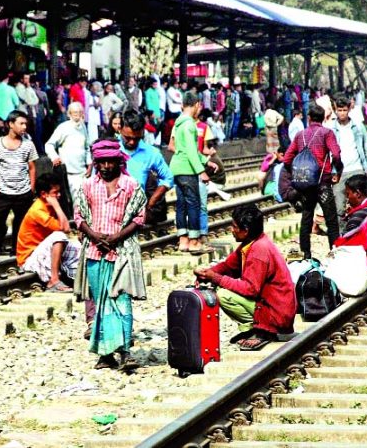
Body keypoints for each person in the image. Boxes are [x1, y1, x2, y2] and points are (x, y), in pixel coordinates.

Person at [74, 139, 147, 371]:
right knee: (101, 301)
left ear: (119, 162)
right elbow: (79, 217)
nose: (106, 166)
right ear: (96, 163)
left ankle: (125, 351)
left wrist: (117, 237)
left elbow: (139, 217)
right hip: (95, 252)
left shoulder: (131, 185)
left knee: (122, 300)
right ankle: (105, 354)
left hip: (122, 251)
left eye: (110, 162)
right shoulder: (87, 186)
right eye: (101, 162)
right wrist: (94, 236)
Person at [193, 205, 296, 351]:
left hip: (276, 312)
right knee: (222, 286)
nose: (232, 230)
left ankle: (260, 330)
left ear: (246, 230)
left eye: (235, 227)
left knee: (223, 294)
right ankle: (254, 329)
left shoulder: (258, 251)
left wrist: (215, 278)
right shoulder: (251, 243)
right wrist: (206, 273)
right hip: (270, 305)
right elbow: (229, 266)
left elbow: (250, 289)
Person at [283, 105, 343, 260]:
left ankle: (306, 254)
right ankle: (334, 253)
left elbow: (287, 159)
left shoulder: (300, 135)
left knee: (306, 218)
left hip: (306, 185)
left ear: (309, 118)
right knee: (331, 221)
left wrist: (297, 174)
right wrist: (338, 170)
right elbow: (336, 154)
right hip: (323, 183)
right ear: (323, 118)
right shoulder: (327, 133)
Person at [0, 110, 38, 261]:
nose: (24, 127)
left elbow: (32, 167)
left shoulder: (28, 144)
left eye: (25, 124)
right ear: (11, 124)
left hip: (23, 191)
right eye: (21, 123)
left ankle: (17, 251)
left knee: (21, 223)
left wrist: (31, 188)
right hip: (4, 192)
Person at [17, 174, 80, 292]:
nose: (59, 195)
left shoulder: (48, 206)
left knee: (77, 245)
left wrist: (55, 204)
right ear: (44, 194)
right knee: (59, 236)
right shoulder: (38, 210)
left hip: (42, 253)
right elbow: (66, 228)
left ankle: (74, 278)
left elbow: (67, 229)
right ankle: (53, 281)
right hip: (29, 259)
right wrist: (57, 205)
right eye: (55, 193)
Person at [169, 92, 210, 254]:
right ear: (197, 105)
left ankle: (183, 240)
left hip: (176, 169)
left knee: (181, 205)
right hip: (187, 169)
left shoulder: (178, 124)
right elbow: (192, 151)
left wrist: (207, 161)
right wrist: (201, 171)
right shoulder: (190, 125)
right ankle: (194, 241)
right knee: (193, 204)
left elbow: (182, 148)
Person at [120, 110, 173, 220]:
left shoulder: (151, 153)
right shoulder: (109, 149)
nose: (132, 142)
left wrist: (152, 201)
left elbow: (168, 177)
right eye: (127, 138)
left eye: (137, 139)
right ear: (120, 129)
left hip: (136, 211)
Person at [330, 95, 367, 222]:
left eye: (344, 110)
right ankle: (343, 236)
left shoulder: (358, 126)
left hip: (357, 169)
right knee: (339, 206)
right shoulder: (331, 129)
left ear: (349, 109)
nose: (342, 113)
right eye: (339, 110)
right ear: (335, 110)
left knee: (362, 203)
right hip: (340, 172)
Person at [45, 102, 91, 202]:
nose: (77, 115)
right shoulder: (63, 127)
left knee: (86, 200)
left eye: (80, 112)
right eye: (75, 113)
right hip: (69, 173)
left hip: (82, 172)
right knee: (76, 202)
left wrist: (89, 163)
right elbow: (49, 145)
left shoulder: (83, 127)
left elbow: (87, 147)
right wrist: (54, 157)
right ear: (69, 114)